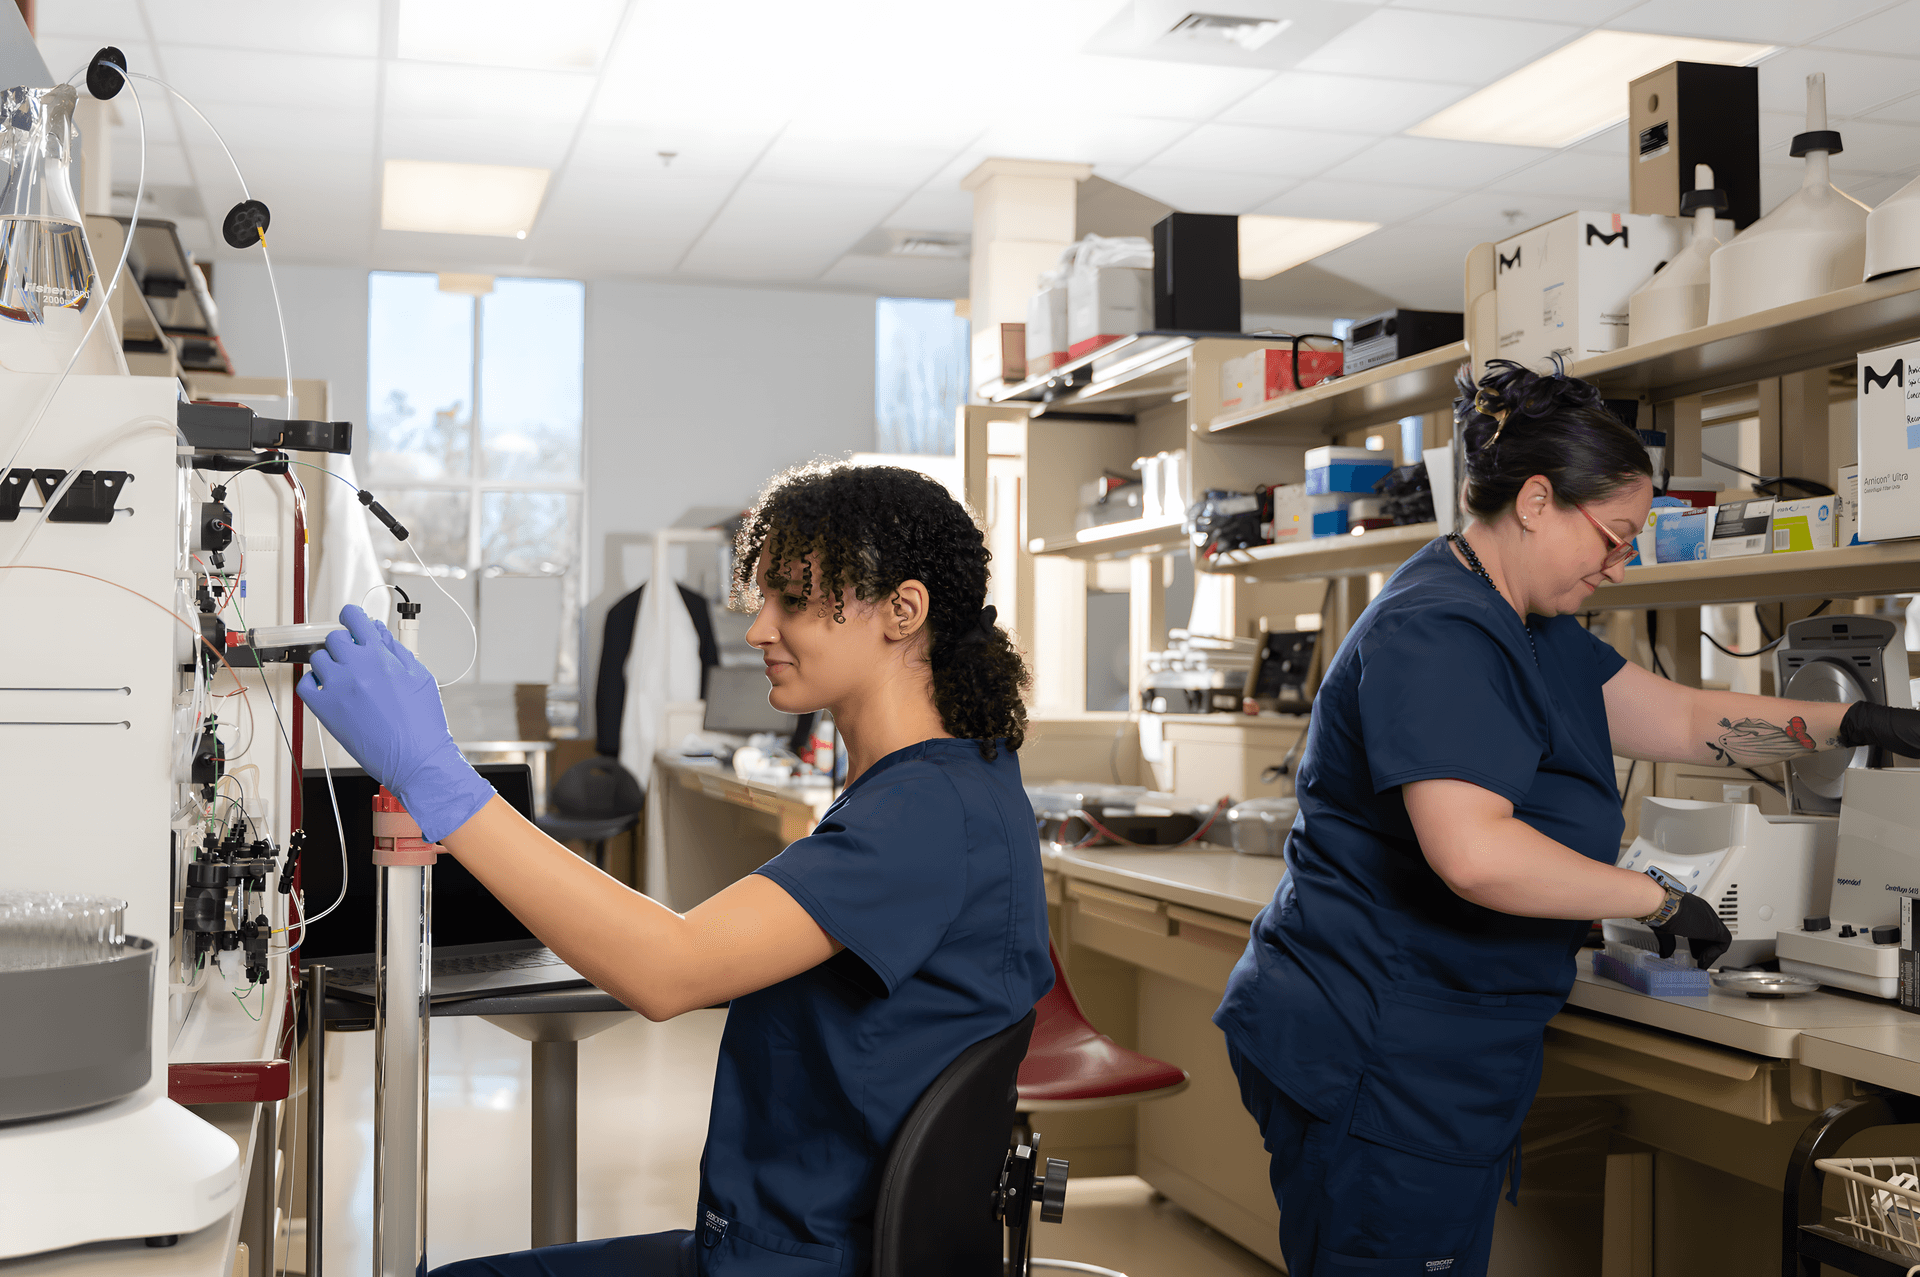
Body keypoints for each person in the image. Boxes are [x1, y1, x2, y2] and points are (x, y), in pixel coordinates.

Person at [1213, 359, 1920, 1277]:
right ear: (1538, 500)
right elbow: (1474, 853)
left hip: (1436, 1044)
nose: (1620, 562)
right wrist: (1657, 899)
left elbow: (1678, 719)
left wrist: (1858, 718)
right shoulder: (1438, 630)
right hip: (1377, 1046)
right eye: (1616, 535)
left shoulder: (1530, 623)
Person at [299, 462, 1053, 1277]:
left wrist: (435, 774)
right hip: (784, 1241)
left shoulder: (928, 812)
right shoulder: (946, 781)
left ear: (903, 610)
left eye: (791, 600)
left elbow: (669, 967)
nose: (759, 627)